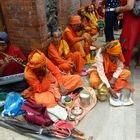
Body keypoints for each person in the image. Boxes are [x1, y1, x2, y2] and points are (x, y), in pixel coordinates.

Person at [115, 0, 140, 68]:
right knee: (134, 40)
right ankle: (136, 63)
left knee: (128, 41)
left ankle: (125, 64)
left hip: (132, 20)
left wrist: (119, 9)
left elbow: (129, 6)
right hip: (134, 18)